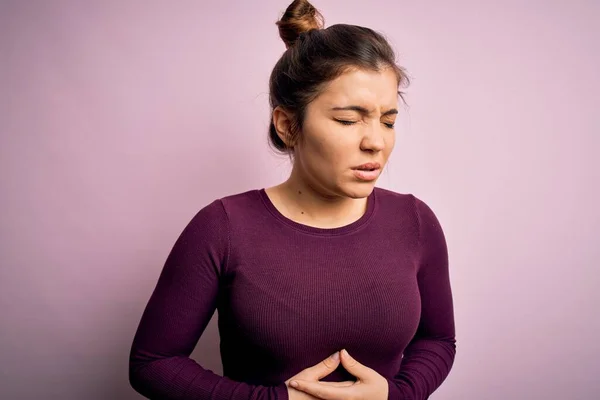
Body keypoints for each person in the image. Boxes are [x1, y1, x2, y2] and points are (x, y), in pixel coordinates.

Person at [128, 0, 456, 399]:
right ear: (287, 125)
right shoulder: (223, 227)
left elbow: (438, 340)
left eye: (388, 120)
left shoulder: (414, 220)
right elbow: (153, 363)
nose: (375, 142)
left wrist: (396, 395)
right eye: (348, 120)